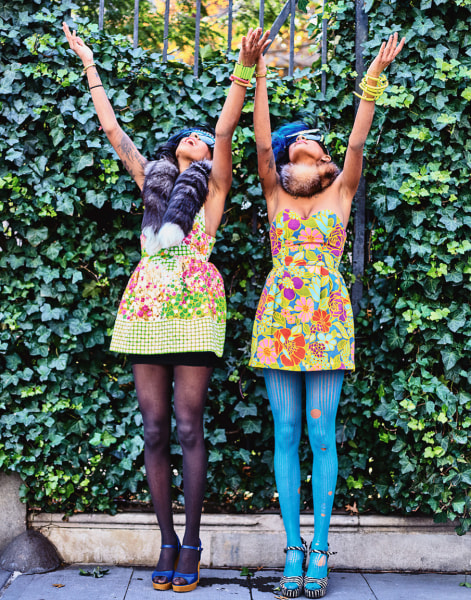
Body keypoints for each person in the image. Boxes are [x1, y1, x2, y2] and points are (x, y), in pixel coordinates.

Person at [63, 22, 270, 593]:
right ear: (171, 149)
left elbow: (228, 128)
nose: (196, 139)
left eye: (202, 139)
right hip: (145, 308)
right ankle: (166, 541)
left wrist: (244, 71)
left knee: (188, 425)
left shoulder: (214, 188)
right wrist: (89, 64)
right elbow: (112, 130)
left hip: (197, 308)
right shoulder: (151, 182)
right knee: (154, 430)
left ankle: (195, 542)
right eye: (187, 136)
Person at [249, 33, 405, 598]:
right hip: (279, 326)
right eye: (310, 146)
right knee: (286, 432)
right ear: (294, 156)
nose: (322, 150)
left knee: (321, 432)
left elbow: (360, 138)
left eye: (321, 149)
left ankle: (321, 549)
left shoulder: (341, 192)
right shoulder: (276, 193)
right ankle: (292, 548)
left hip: (327, 325)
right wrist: (257, 72)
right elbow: (262, 144)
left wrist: (375, 78)